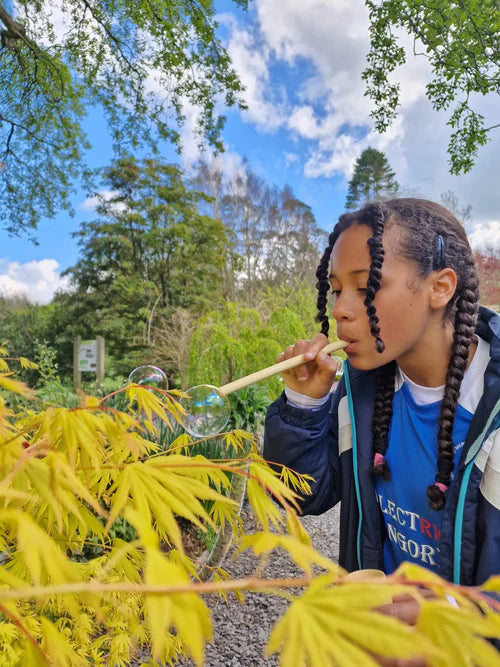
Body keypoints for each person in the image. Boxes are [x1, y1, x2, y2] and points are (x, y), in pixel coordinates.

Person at [263, 198, 500, 629]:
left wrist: (446, 615)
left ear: (440, 287)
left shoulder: (492, 412)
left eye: (366, 286)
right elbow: (302, 496)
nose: (339, 309)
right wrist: (304, 405)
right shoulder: (363, 390)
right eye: (336, 290)